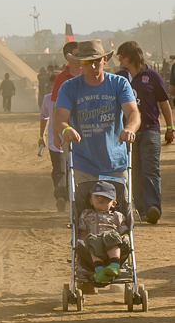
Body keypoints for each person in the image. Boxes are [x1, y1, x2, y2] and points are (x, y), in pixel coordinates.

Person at [53, 40, 139, 217]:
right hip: (84, 162)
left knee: (119, 213)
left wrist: (130, 128)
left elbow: (133, 113)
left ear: (105, 60)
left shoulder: (119, 84)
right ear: (79, 63)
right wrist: (65, 129)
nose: (93, 66)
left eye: (97, 61)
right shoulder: (70, 87)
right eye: (86, 62)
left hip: (115, 161)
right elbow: (59, 117)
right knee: (85, 212)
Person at [115, 40, 174, 224]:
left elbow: (164, 103)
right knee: (133, 172)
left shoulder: (152, 76)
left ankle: (153, 207)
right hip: (127, 133)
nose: (120, 60)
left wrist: (170, 128)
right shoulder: (118, 78)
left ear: (131, 56)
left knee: (150, 169)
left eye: (122, 56)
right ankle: (141, 210)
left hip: (150, 130)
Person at [75, 180, 128, 285]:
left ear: (113, 203)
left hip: (112, 240)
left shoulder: (117, 216)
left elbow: (124, 230)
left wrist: (126, 237)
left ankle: (114, 265)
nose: (100, 199)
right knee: (91, 240)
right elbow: (83, 232)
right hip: (93, 240)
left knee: (112, 237)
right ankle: (99, 271)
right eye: (97, 197)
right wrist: (81, 241)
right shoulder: (86, 214)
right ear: (91, 201)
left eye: (106, 198)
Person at [40, 88, 69, 211]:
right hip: (58, 142)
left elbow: (43, 117)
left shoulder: (72, 96)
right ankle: (64, 197)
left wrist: (42, 136)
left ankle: (62, 196)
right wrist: (42, 136)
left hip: (64, 141)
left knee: (60, 171)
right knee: (64, 170)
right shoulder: (48, 99)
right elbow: (44, 117)